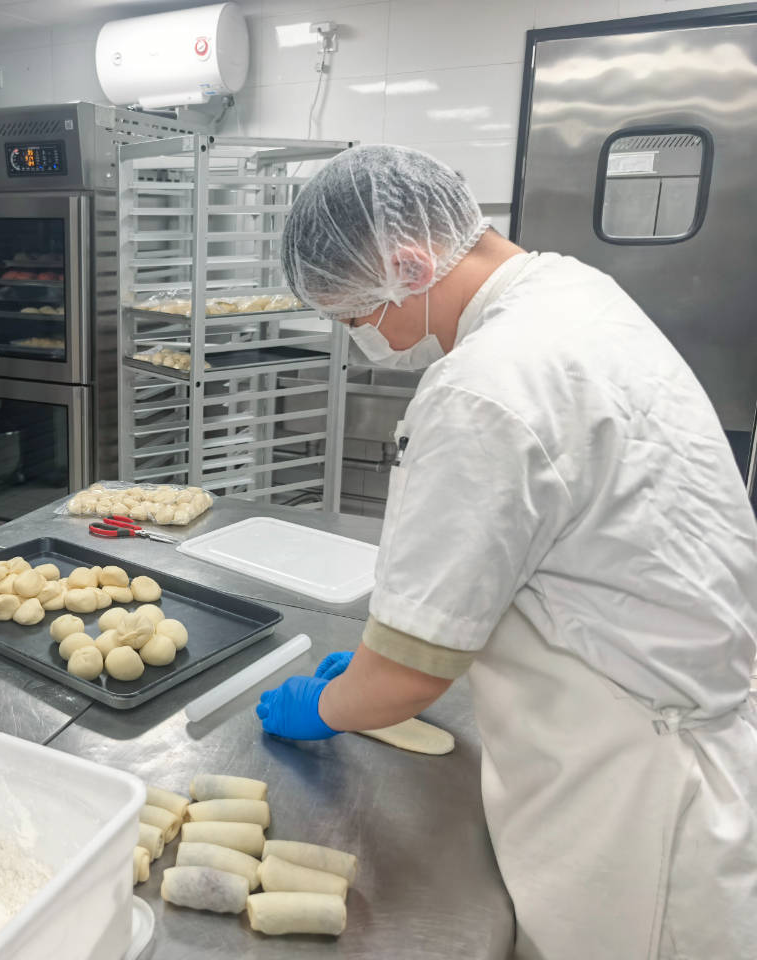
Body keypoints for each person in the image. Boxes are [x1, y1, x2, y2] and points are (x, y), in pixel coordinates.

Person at [257, 145, 757, 959]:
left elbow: (407, 677)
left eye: (356, 317)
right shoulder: (575, 294)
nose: (362, 341)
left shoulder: (485, 385)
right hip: (691, 740)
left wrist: (329, 706)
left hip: (630, 800)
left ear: (409, 265)